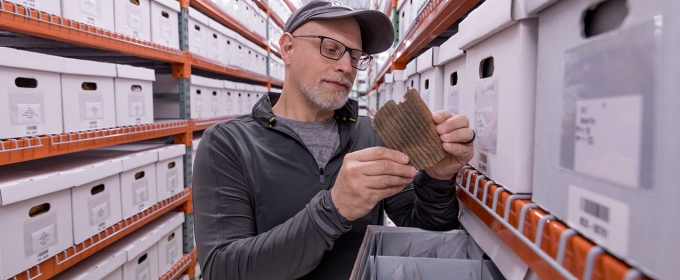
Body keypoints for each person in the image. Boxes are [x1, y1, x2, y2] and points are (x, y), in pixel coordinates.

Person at [193, 1, 475, 279]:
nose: (346, 67)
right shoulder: (227, 143)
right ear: (288, 48)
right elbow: (222, 269)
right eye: (330, 49)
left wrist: (437, 179)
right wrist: (333, 209)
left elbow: (427, 236)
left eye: (355, 57)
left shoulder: (373, 134)